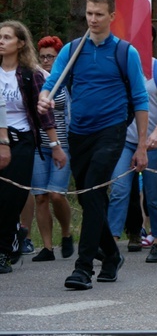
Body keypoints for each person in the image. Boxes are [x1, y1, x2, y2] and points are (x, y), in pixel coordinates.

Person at [38, 0, 149, 290]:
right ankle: (111, 255)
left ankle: (83, 267)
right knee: (91, 199)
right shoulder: (73, 49)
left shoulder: (125, 52)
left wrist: (141, 145)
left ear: (112, 16)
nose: (93, 19)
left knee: (95, 188)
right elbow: (52, 80)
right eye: (89, 13)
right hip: (79, 132)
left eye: (99, 14)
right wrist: (44, 97)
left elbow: (140, 100)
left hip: (111, 131)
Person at [0, 21, 62, 273]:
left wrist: (56, 145)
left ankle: (4, 251)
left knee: (10, 198)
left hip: (22, 142)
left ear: (21, 43)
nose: (1, 41)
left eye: (6, 37)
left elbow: (44, 114)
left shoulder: (31, 74)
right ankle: (13, 235)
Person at [107, 36, 157, 263]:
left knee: (154, 195)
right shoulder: (120, 66)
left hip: (154, 142)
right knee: (119, 189)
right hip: (125, 140)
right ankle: (111, 243)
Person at [31, 36, 74, 262]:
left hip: (63, 145)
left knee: (57, 194)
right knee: (41, 197)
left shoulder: (67, 81)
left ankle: (66, 233)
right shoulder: (35, 80)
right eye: (43, 56)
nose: (47, 61)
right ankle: (47, 247)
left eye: (51, 57)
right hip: (40, 147)